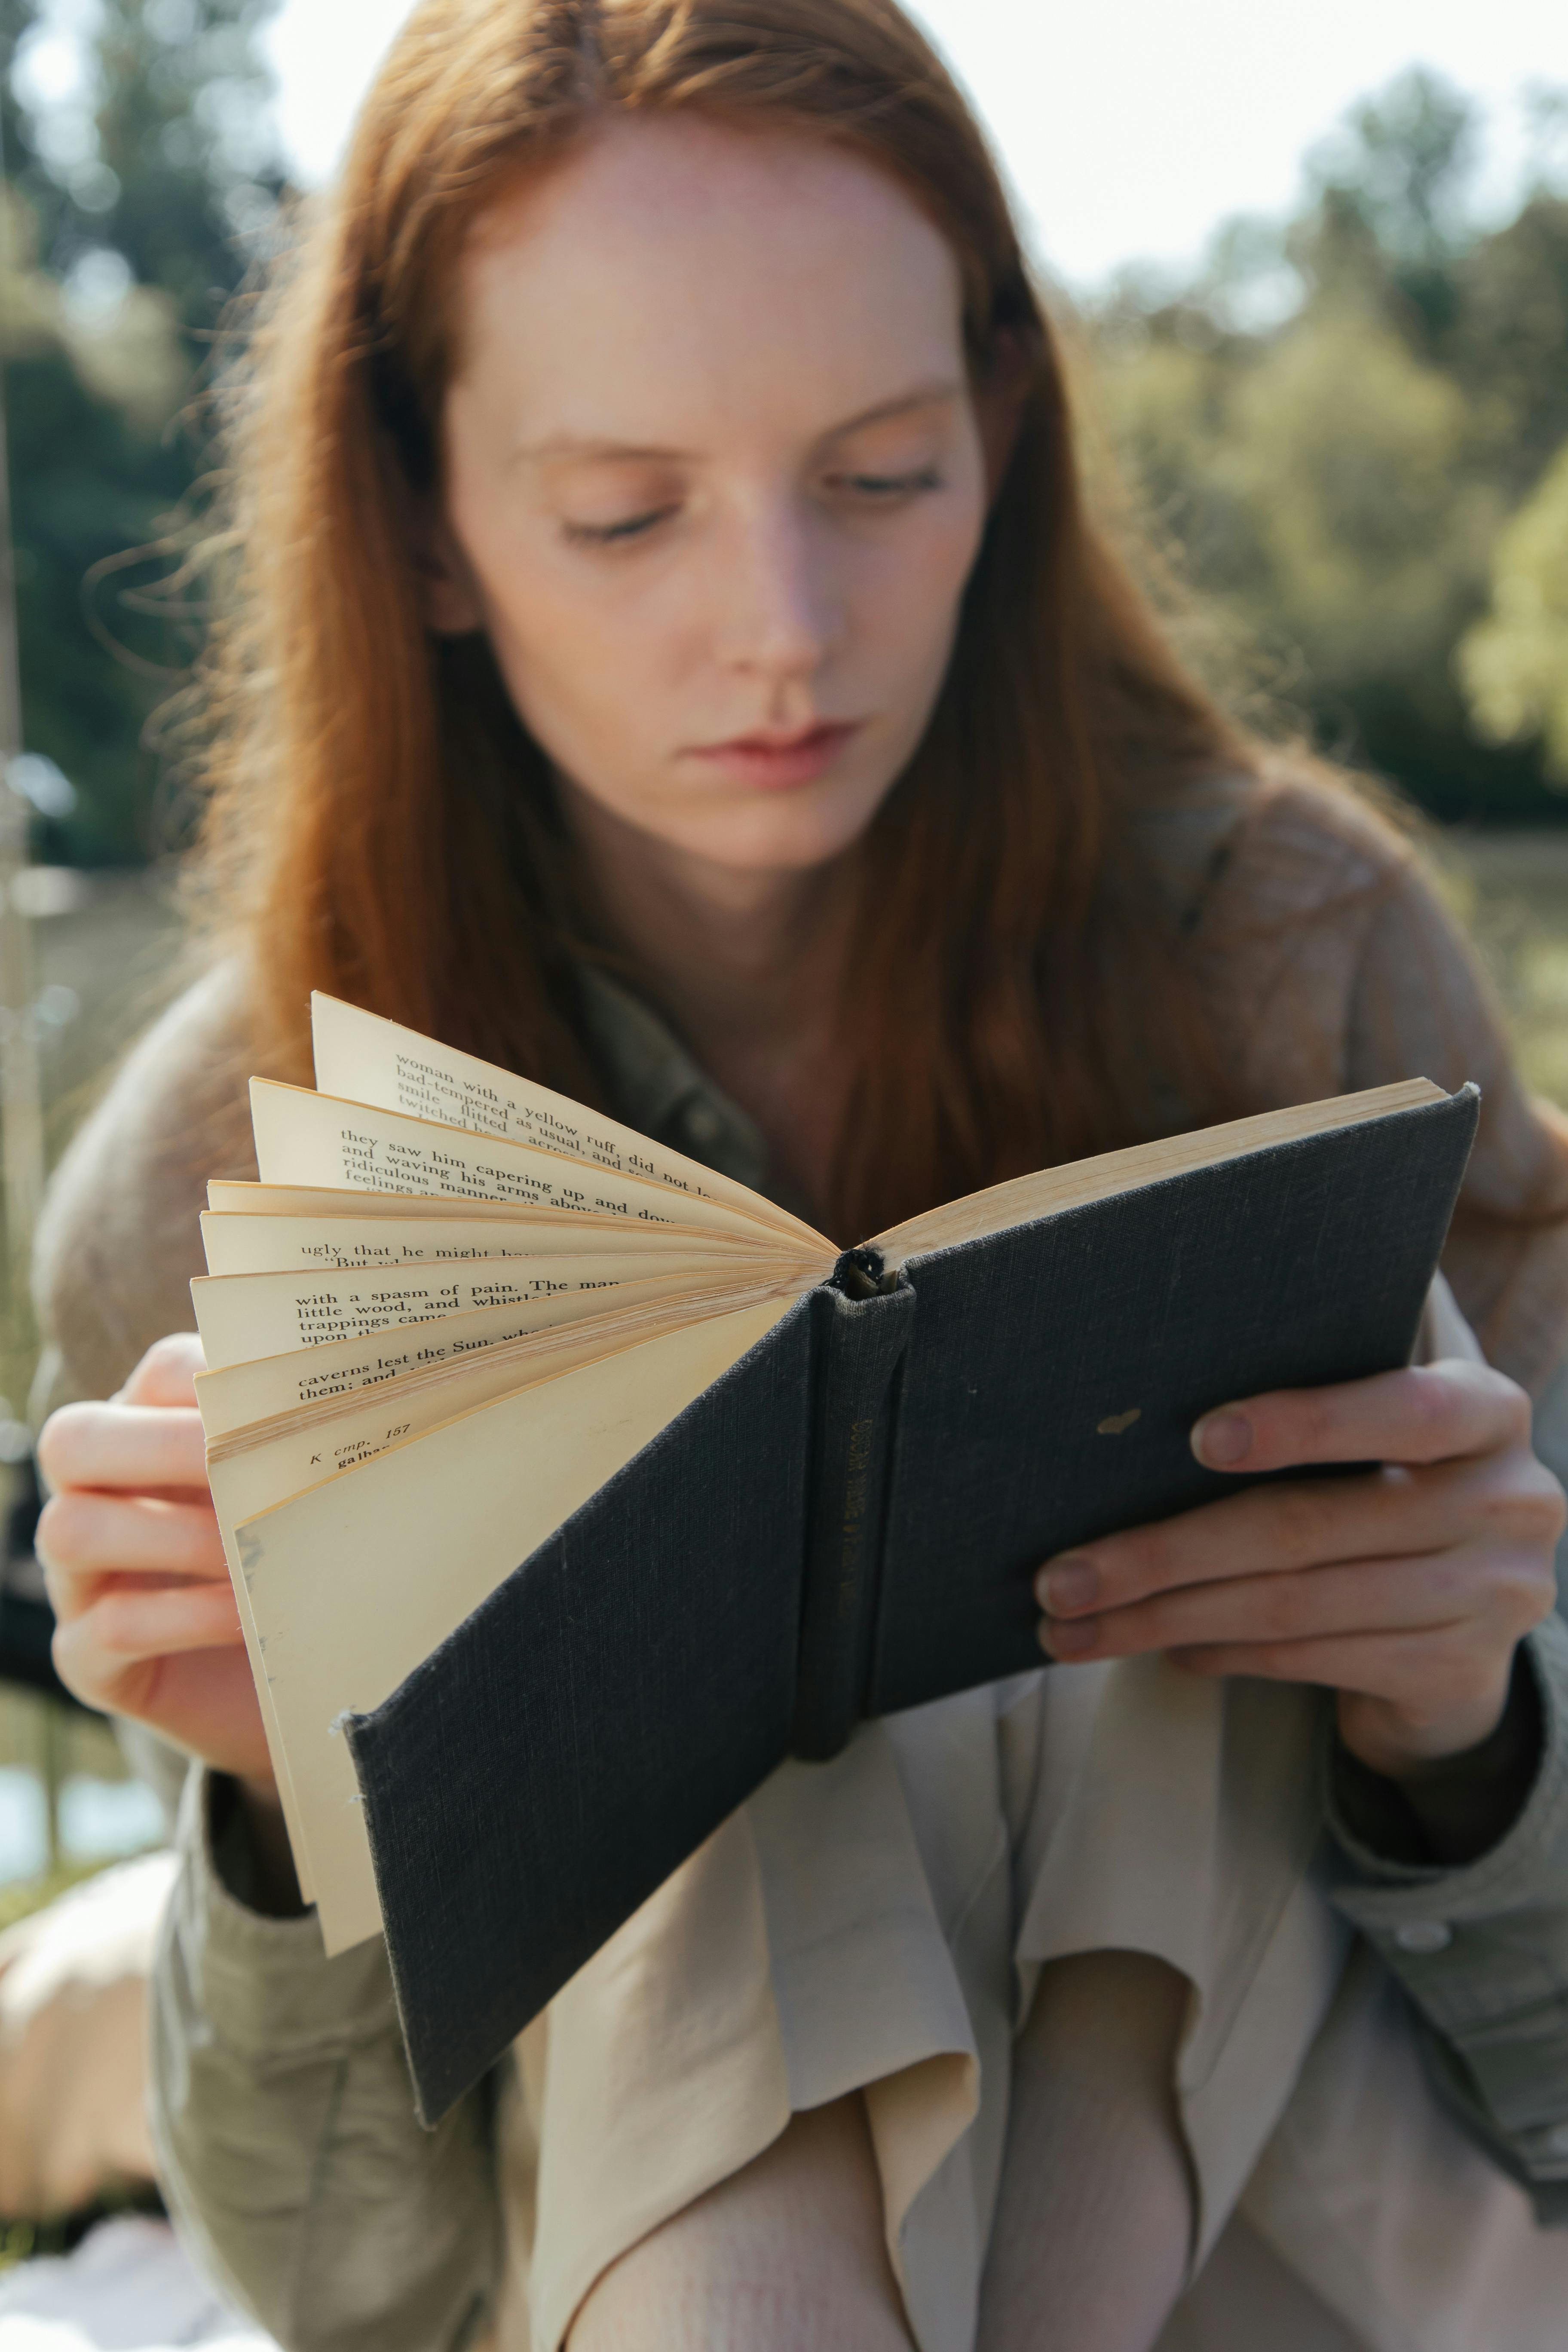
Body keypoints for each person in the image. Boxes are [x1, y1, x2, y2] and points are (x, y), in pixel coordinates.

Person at [26, 2, 1568, 2346]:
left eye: (879, 476)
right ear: (427, 523)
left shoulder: (1301, 977)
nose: (785, 627)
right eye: (624, 509)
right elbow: (345, 2281)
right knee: (705, 1734)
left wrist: (1468, 1725)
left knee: (1135, 1639)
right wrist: (263, 1821)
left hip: (1285, 2178)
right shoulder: (234, 1170)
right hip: (657, 2247)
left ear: (1006, 434)